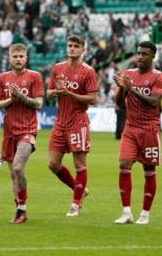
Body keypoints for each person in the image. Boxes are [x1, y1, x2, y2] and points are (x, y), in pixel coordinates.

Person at [113, 41, 162, 225]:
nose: (140, 57)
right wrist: (122, 89)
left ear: (153, 56)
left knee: (149, 170)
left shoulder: (158, 77)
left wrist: (132, 89)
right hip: (131, 129)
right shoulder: (129, 74)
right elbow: (120, 103)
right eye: (138, 53)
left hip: (150, 129)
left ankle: (145, 213)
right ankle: (126, 212)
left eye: (144, 54)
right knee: (123, 164)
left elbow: (154, 102)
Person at [46, 36, 98, 216]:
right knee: (53, 164)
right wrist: (54, 92)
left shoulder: (88, 71)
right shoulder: (58, 68)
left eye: (76, 46)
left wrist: (70, 94)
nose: (72, 49)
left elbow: (92, 98)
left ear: (82, 49)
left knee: (79, 165)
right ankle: (80, 189)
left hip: (78, 122)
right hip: (60, 122)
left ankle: (75, 204)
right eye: (70, 46)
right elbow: (48, 93)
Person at [0, 43, 43, 224]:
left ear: (26, 58)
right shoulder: (2, 78)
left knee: (18, 168)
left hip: (27, 130)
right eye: (15, 56)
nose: (18, 59)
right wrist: (9, 100)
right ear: (9, 58)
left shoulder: (34, 77)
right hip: (9, 132)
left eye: (21, 56)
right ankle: (20, 209)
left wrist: (21, 97)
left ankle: (21, 209)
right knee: (14, 175)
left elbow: (38, 103)